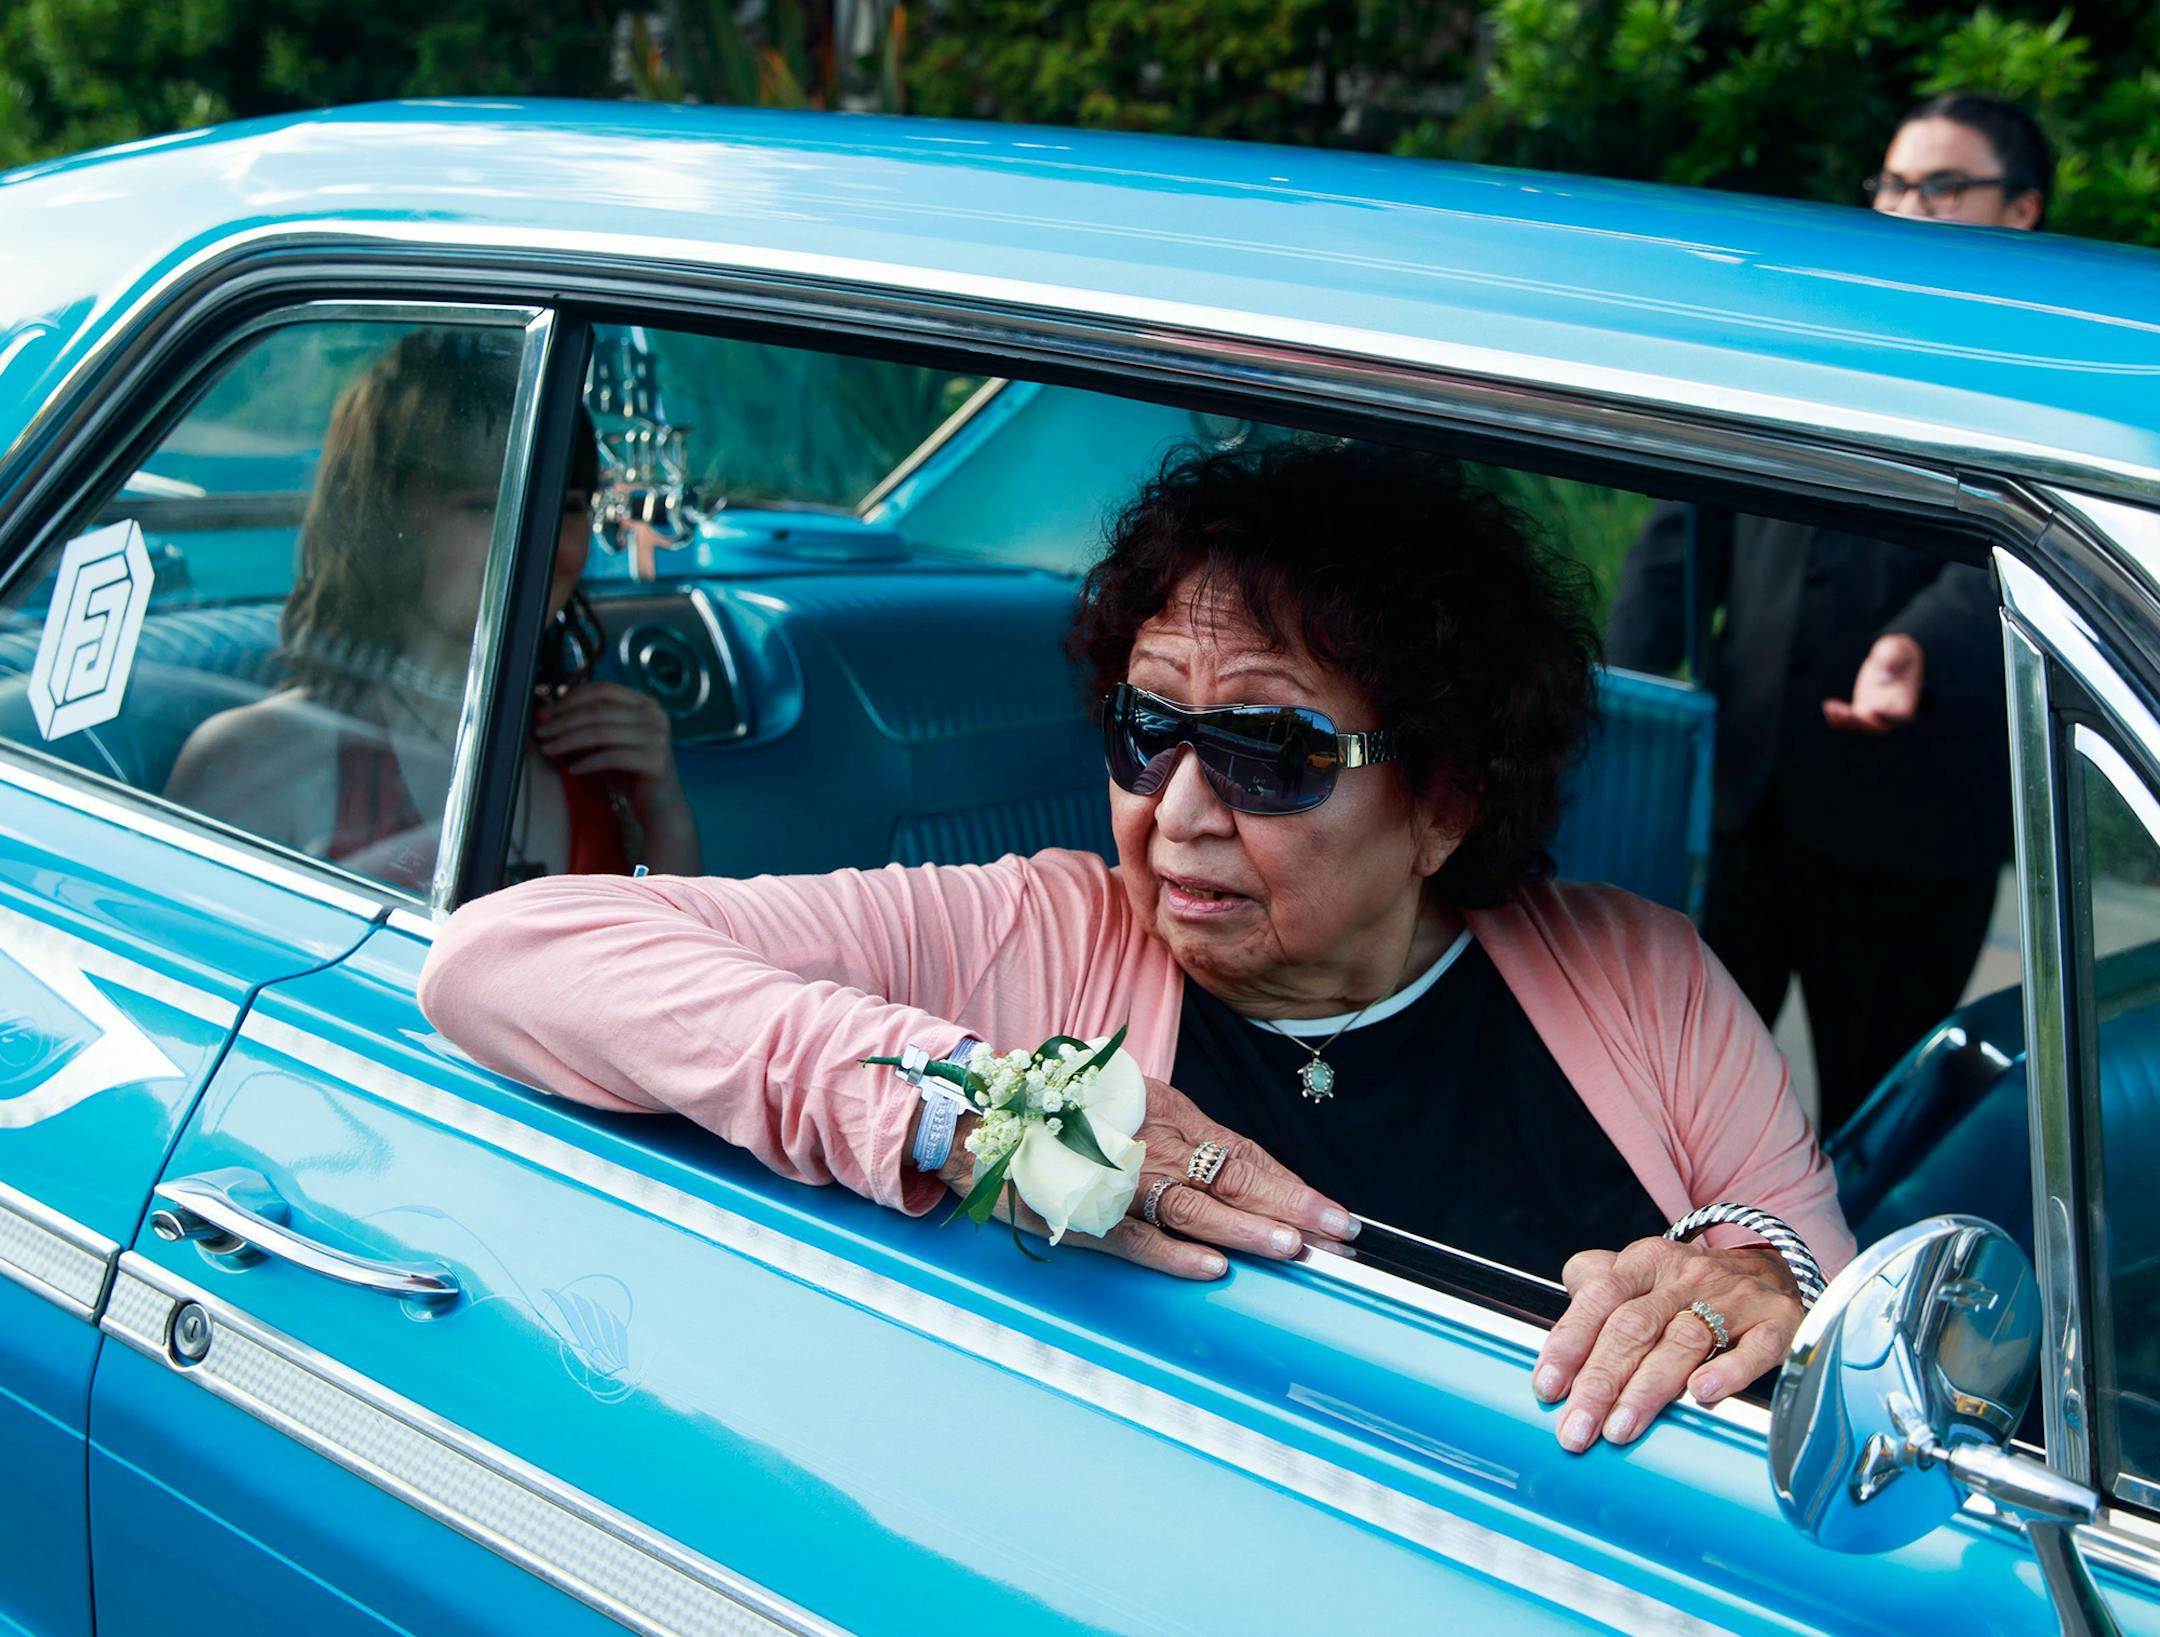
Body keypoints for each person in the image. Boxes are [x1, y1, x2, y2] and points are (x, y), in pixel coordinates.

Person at [419, 440, 1855, 1454]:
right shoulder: (1040, 927)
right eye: (1145, 728)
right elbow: (505, 957)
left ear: (1445, 800)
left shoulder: (1643, 974)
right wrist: (990, 1106)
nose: (1174, 815)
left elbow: (1811, 1304)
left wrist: (1761, 1291)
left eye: (1270, 753)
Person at [1604, 91, 2047, 1135]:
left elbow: (2014, 553)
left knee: (1875, 1126)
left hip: (1913, 830)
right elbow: (1690, 521)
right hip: (1746, 807)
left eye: (1941, 187)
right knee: (1680, 1100)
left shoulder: (2035, 362)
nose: (1905, 207)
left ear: (2020, 209)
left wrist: (1915, 644)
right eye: (1892, 184)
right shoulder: (1824, 330)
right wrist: (1613, 690)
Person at [165, 328, 701, 889]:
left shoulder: (598, 754)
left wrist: (663, 808)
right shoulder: (256, 759)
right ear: (385, 522)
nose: (533, 542)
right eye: (483, 505)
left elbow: (663, 960)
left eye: (564, 508)